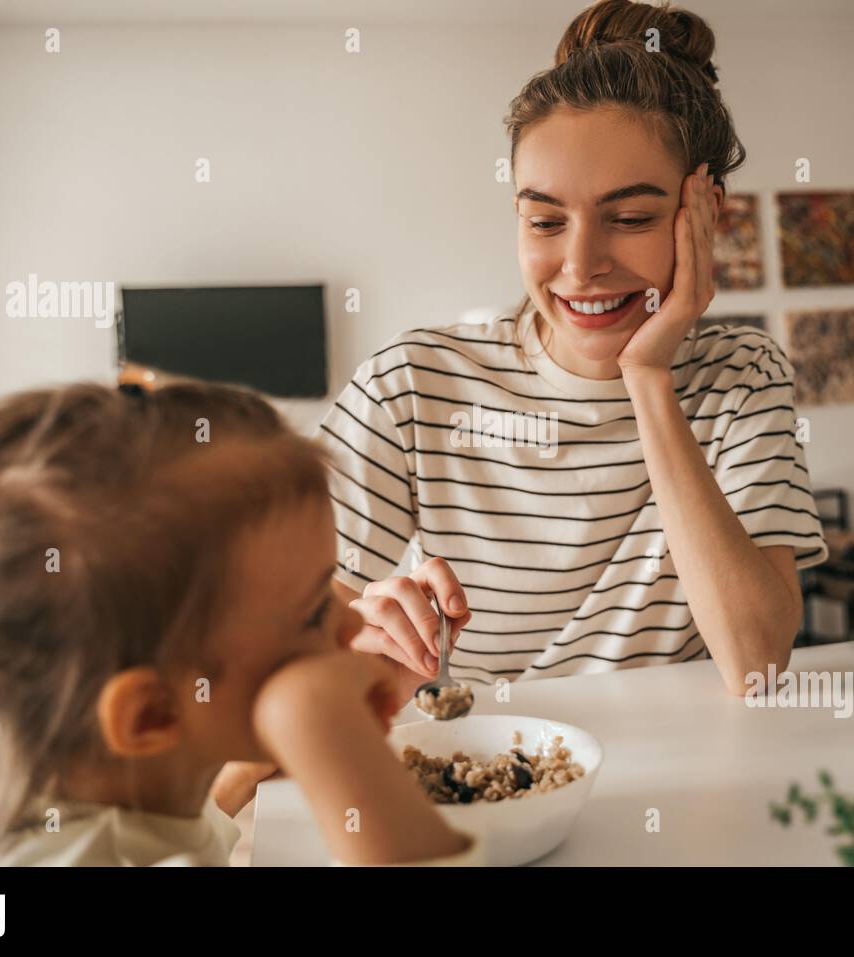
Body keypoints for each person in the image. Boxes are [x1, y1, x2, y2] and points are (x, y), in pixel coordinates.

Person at [320, 0, 827, 698]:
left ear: (707, 216)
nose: (580, 264)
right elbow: (299, 646)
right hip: (493, 780)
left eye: (630, 218)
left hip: (686, 780)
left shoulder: (741, 374)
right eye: (545, 219)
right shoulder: (409, 385)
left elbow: (758, 663)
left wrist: (646, 375)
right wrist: (368, 636)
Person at [0, 381, 478, 866]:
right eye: (314, 610)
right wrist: (339, 744)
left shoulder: (121, 813)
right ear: (151, 714)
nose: (353, 621)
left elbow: (196, 825)